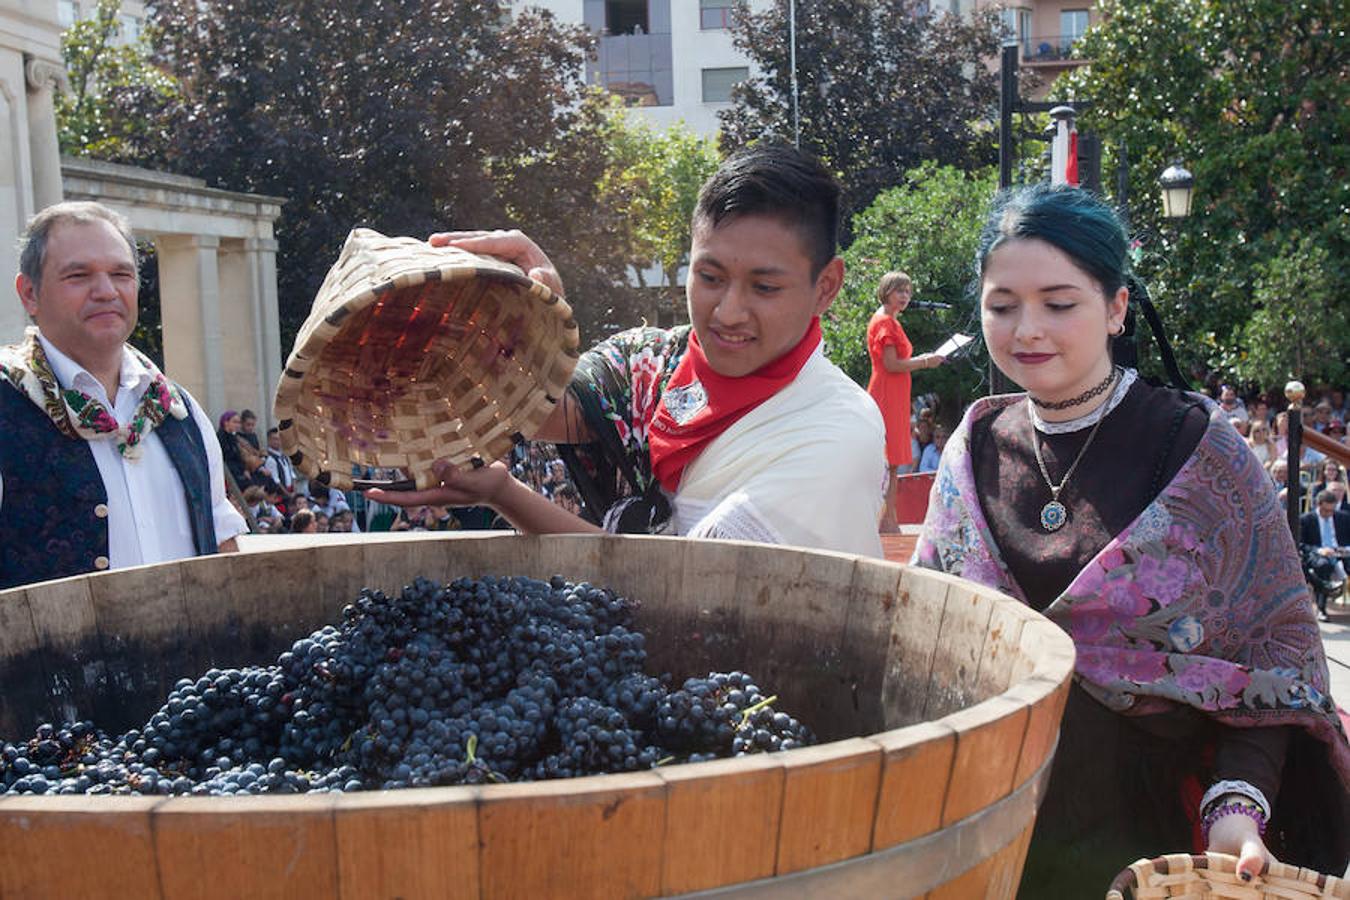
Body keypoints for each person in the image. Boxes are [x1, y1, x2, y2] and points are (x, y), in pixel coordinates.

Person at [913, 184, 1349, 893]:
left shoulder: (1197, 449)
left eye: (1059, 304)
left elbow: (1276, 660)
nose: (1028, 329)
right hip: (991, 834)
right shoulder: (975, 448)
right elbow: (926, 639)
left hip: (1151, 844)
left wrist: (1236, 811)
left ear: (1116, 308)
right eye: (1001, 305)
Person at [370, 144, 886, 556]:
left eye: (764, 288)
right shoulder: (652, 362)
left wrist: (505, 495)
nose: (728, 312)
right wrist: (531, 319)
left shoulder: (837, 428)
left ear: (826, 286)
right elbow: (539, 410)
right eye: (709, 277)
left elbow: (682, 587)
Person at [0, 201, 245, 587]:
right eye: (78, 276)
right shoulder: (6, 404)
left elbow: (221, 544)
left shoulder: (179, 411)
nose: (106, 291)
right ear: (29, 293)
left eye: (121, 274)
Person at [866, 271, 942, 531]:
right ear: (887, 291)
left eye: (908, 292)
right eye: (900, 291)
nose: (905, 297)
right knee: (888, 457)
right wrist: (925, 362)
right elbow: (891, 364)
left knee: (894, 457)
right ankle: (885, 519)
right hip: (887, 393)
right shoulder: (885, 323)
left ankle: (889, 518)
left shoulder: (890, 321)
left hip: (894, 393)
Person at [1299, 489, 1350, 622]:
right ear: (1318, 505)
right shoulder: (1306, 519)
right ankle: (1321, 609)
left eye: (1332, 511)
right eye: (1326, 510)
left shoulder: (1343, 517)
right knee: (1323, 565)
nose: (1329, 514)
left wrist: (1345, 549)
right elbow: (1300, 544)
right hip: (1319, 554)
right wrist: (1319, 550)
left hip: (1342, 553)